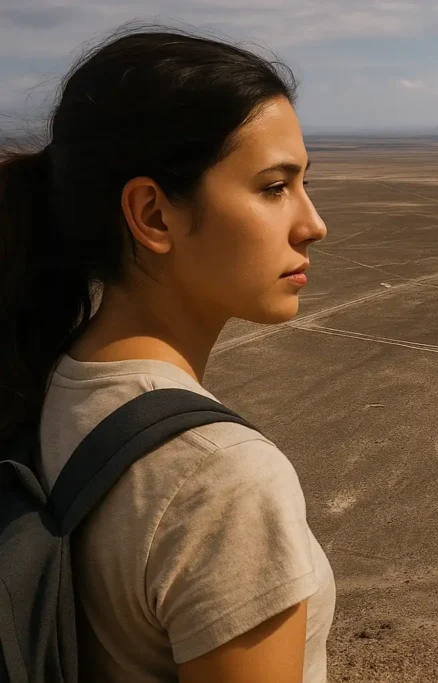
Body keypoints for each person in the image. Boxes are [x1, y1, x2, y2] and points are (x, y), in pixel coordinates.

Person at [0, 26, 335, 683]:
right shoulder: (223, 482)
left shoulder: (44, 383)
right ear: (152, 214)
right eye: (274, 187)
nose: (312, 222)